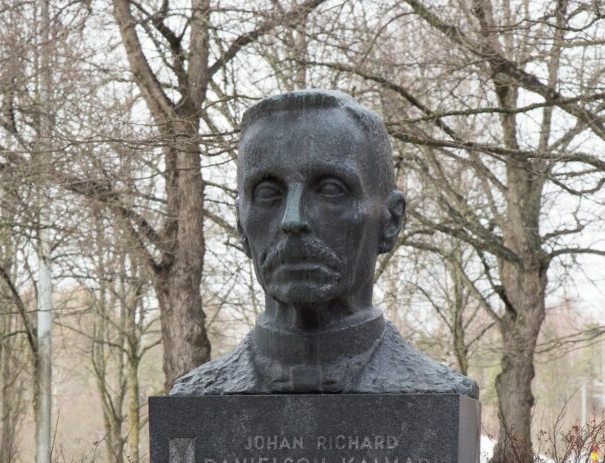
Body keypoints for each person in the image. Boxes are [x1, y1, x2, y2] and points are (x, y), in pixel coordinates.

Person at [171, 90, 477, 397]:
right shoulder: (195, 398)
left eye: (330, 190)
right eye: (268, 193)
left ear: (390, 221)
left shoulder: (440, 394)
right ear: (241, 223)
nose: (292, 220)